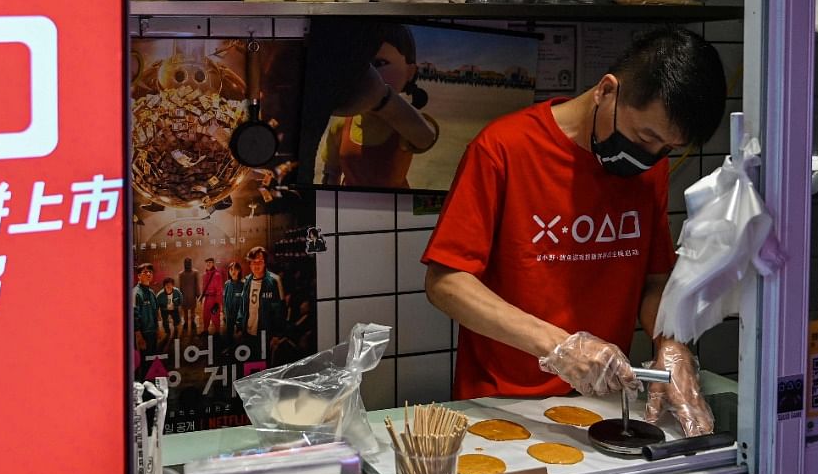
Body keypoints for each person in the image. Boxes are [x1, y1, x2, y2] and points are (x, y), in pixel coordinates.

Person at [422, 27, 726, 438]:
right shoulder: (504, 148)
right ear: (606, 91)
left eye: (666, 148)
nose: (652, 156)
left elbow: (655, 280)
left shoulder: (648, 169)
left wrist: (670, 344)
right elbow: (446, 282)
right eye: (645, 137)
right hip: (503, 403)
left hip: (602, 402)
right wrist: (559, 347)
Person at [311, 22, 440, 188]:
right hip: (347, 204)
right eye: (358, 64)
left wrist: (382, 99)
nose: (367, 73)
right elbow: (331, 170)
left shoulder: (403, 123)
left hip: (394, 205)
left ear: (410, 72)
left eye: (379, 63)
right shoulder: (342, 125)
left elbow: (426, 138)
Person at [238, 246, 286, 348]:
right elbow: (242, 306)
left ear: (265, 263)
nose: (256, 265)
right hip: (247, 333)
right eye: (253, 262)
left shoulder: (274, 281)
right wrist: (239, 327)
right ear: (250, 264)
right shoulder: (246, 281)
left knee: (264, 363)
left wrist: (277, 335)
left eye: (260, 262)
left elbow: (280, 310)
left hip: (266, 336)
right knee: (249, 363)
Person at [132, 263, 160, 363]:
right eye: (145, 272)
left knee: (152, 362)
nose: (148, 274)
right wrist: (139, 337)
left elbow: (155, 312)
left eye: (150, 272)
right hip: (143, 334)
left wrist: (157, 330)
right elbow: (133, 317)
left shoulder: (151, 292)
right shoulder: (136, 293)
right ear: (139, 276)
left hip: (152, 333)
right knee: (144, 363)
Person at [199, 257, 224, 335]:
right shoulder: (204, 275)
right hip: (207, 298)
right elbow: (204, 287)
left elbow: (219, 290)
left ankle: (217, 332)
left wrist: (218, 303)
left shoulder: (217, 275)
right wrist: (202, 296)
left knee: (215, 316)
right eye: (207, 262)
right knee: (205, 315)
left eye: (210, 262)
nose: (208, 264)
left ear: (213, 263)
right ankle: (205, 330)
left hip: (214, 298)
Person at [222, 261, 247, 341]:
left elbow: (244, 302)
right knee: (229, 334)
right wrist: (224, 312)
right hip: (229, 314)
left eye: (236, 269)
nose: (233, 271)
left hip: (239, 316)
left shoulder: (243, 284)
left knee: (240, 336)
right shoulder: (227, 284)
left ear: (239, 270)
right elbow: (224, 299)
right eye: (231, 269)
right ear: (229, 271)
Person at [177, 257, 200, 333]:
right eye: (186, 263)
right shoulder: (181, 274)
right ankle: (186, 323)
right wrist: (179, 295)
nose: (187, 264)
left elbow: (197, 284)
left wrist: (198, 293)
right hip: (184, 295)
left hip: (192, 294)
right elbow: (180, 285)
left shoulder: (195, 272)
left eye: (188, 263)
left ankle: (192, 322)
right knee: (185, 311)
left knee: (192, 310)